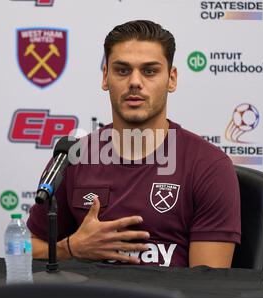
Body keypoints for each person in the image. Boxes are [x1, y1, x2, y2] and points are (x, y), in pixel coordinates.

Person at [27, 20, 241, 268]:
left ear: (171, 79)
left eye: (150, 71)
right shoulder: (73, 157)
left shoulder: (208, 166)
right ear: (105, 76)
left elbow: (210, 288)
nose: (135, 82)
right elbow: (24, 248)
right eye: (122, 70)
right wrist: (71, 248)